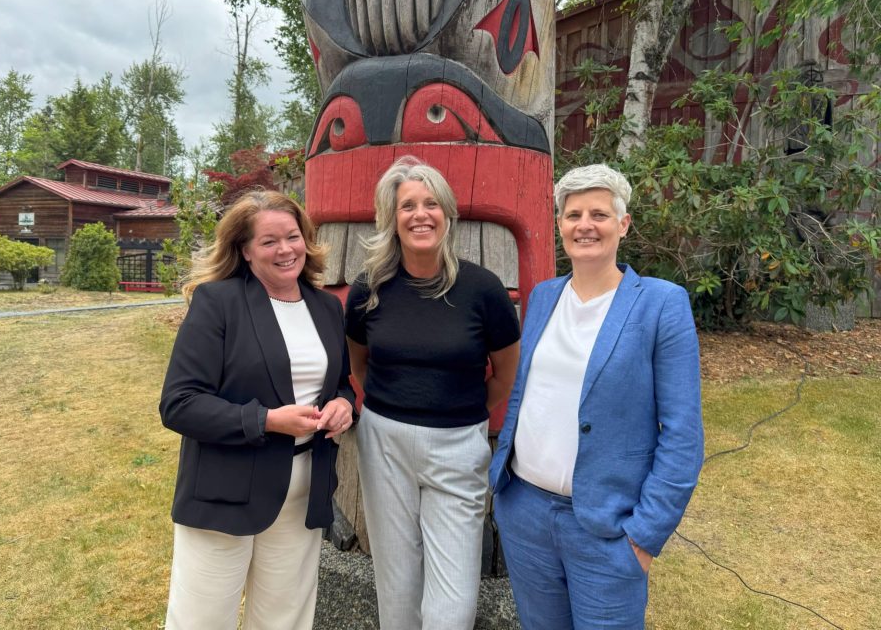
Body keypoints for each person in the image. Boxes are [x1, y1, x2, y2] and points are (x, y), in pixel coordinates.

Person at [490, 164, 704, 630]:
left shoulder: (661, 304)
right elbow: (528, 391)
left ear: (623, 224)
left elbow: (683, 435)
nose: (585, 225)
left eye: (599, 215)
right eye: (573, 215)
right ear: (560, 225)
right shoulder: (544, 297)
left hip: (607, 527)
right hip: (525, 512)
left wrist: (644, 536)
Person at [159, 190, 355, 630]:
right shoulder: (218, 302)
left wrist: (344, 403)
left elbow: (339, 382)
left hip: (303, 490)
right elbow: (179, 403)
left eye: (292, 237)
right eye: (269, 241)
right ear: (245, 250)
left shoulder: (326, 308)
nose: (285, 250)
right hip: (225, 488)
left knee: (284, 620)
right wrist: (267, 420)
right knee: (202, 621)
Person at [345, 156, 521, 630]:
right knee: (397, 584)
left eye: (431, 204)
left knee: (453, 601)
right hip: (384, 443)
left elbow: (505, 374)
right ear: (392, 217)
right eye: (408, 206)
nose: (420, 215)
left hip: (458, 446)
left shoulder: (483, 290)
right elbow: (359, 364)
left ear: (447, 213)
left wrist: (458, 412)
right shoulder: (369, 289)